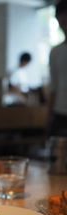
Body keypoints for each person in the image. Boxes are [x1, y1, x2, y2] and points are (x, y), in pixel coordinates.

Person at [49, 0, 67, 135]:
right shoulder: (55, 51)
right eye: (61, 23)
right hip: (60, 112)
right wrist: (49, 115)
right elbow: (54, 87)